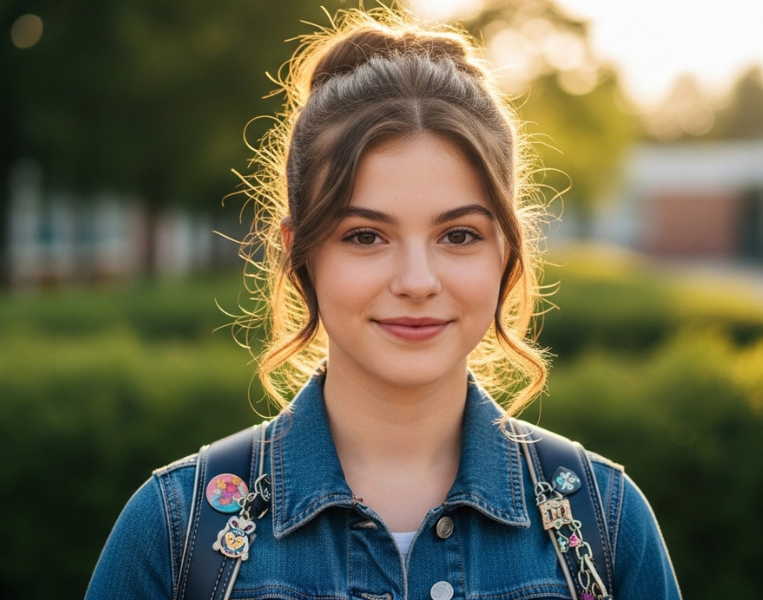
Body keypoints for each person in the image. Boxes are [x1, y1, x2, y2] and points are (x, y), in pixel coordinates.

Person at [86, 7, 681, 600]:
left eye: (459, 235)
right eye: (366, 236)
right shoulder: (175, 534)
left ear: (506, 252)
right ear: (301, 256)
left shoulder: (607, 524)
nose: (417, 281)